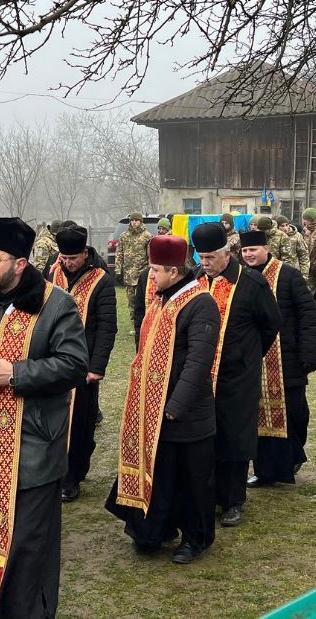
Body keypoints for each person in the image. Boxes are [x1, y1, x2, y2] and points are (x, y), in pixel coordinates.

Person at [0, 217, 89, 618]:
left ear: (20, 263)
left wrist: (17, 373)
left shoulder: (57, 304)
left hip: (34, 451)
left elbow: (75, 366)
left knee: (26, 548)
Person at [105, 234, 219, 564]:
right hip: (151, 407)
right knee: (162, 472)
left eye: (155, 270)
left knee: (193, 479)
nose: (150, 276)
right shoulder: (161, 299)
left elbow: (199, 359)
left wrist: (176, 405)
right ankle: (154, 530)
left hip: (184, 411)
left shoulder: (200, 303)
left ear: (174, 270)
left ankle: (196, 538)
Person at [191, 222, 282, 528]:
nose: (205, 264)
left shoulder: (251, 283)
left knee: (234, 435)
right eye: (200, 258)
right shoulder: (195, 281)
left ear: (226, 253)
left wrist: (248, 354)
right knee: (204, 434)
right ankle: (209, 493)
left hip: (237, 375)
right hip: (201, 375)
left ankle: (233, 500)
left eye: (210, 258)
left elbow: (271, 324)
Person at [239, 230, 316, 486]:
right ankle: (267, 471)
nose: (249, 255)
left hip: (289, 358)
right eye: (244, 251)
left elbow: (308, 315)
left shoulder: (289, 275)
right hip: (254, 361)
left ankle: (295, 454)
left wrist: (308, 354)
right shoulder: (242, 278)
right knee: (260, 418)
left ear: (266, 248)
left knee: (296, 412)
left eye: (253, 250)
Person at [47, 224, 118, 502]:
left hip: (83, 364)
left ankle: (73, 476)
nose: (67, 263)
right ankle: (53, 472)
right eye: (64, 258)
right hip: (51, 360)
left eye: (72, 258)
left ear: (84, 253)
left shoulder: (101, 279)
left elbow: (107, 327)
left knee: (80, 423)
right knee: (52, 420)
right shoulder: (51, 274)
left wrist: (96, 367)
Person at [115, 211, 152, 339]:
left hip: (142, 274)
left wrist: (150, 271)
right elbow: (119, 253)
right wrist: (118, 271)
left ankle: (145, 323)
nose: (134, 222)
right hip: (129, 275)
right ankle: (134, 325)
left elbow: (150, 256)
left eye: (137, 220)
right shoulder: (124, 236)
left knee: (143, 300)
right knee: (131, 302)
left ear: (141, 221)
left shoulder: (147, 236)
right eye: (132, 220)